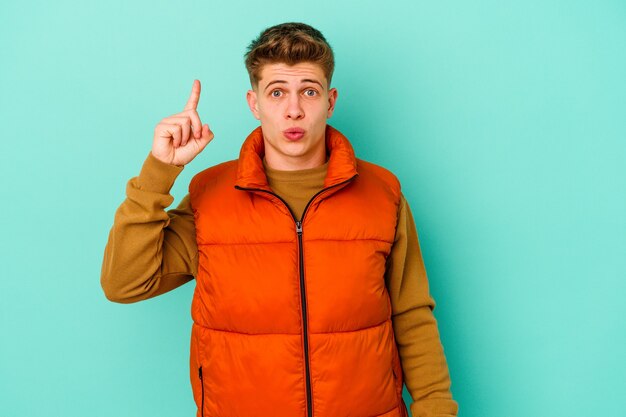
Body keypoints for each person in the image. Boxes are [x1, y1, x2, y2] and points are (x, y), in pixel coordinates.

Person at [101, 22, 458, 417]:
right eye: (277, 92)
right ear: (254, 104)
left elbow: (411, 316)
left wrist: (436, 408)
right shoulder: (210, 197)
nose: (294, 109)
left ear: (330, 101)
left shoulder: (382, 192)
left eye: (309, 90)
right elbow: (125, 283)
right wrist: (158, 173)